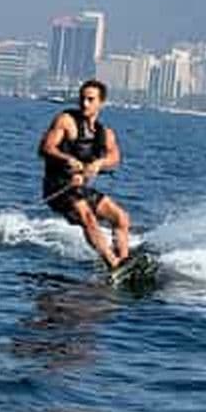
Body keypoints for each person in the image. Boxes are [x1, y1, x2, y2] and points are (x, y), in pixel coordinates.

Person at [38, 79, 130, 270]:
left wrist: (99, 163)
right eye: (82, 98)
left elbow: (115, 158)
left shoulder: (105, 133)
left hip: (80, 188)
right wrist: (66, 159)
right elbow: (45, 148)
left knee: (121, 218)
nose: (84, 103)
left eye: (90, 99)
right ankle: (113, 265)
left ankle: (125, 260)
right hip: (57, 188)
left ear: (101, 103)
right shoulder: (66, 121)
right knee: (86, 215)